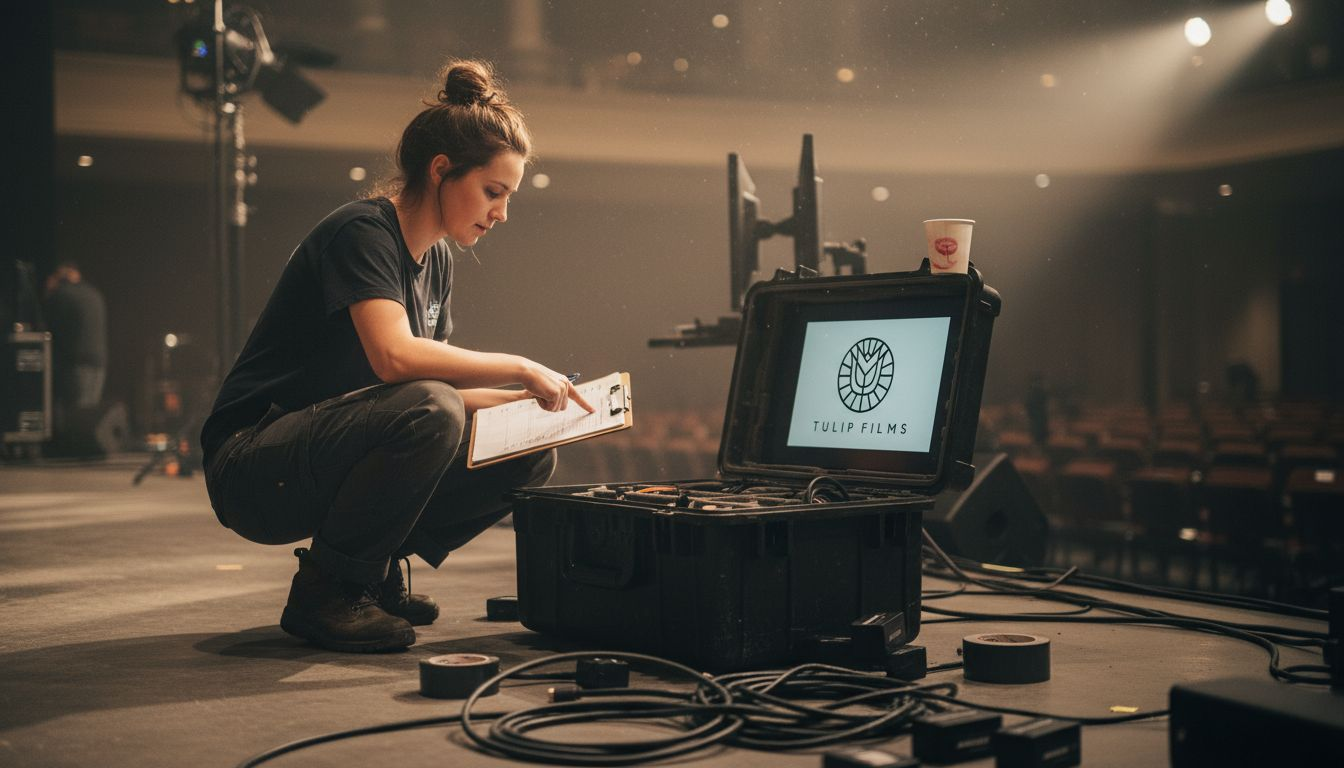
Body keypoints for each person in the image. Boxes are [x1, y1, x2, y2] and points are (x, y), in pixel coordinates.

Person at [200, 59, 593, 653]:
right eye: (493, 192)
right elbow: (395, 360)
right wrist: (519, 364)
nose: (502, 213)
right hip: (252, 465)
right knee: (430, 408)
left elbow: (446, 393)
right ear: (441, 170)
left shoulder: (437, 258)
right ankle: (329, 591)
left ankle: (370, 567)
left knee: (529, 449)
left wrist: (532, 402)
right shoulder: (362, 232)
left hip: (327, 450)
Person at [43, 262, 108, 457]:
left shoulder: (62, 295)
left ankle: (70, 451)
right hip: (99, 359)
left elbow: (49, 323)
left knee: (74, 410)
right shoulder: (93, 293)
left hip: (76, 360)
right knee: (89, 411)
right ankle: (86, 450)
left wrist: (50, 290)